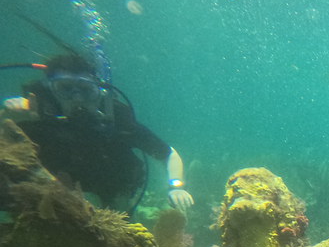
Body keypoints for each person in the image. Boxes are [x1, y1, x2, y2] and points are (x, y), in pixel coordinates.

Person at [1, 53, 193, 212]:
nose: (77, 98)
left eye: (86, 90)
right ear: (50, 90)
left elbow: (168, 154)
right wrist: (8, 119)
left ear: (99, 92)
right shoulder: (32, 114)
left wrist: (176, 186)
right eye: (65, 89)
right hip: (43, 194)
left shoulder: (117, 119)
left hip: (110, 192)